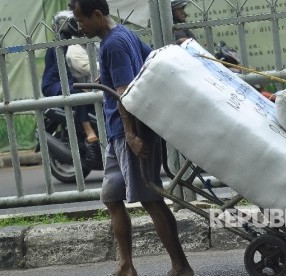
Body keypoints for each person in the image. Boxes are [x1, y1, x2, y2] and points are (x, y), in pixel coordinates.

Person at [70, 1, 194, 276]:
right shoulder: (121, 35)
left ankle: (181, 267)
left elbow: (124, 93)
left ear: (98, 15)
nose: (79, 27)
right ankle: (126, 265)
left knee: (151, 199)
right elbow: (150, 63)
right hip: (118, 133)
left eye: (81, 20)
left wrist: (131, 134)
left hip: (131, 133)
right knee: (112, 198)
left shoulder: (114, 44)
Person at [41, 10, 101, 163]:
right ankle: (88, 130)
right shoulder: (58, 45)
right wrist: (81, 87)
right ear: (63, 26)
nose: (77, 25)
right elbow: (65, 73)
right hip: (53, 85)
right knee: (77, 93)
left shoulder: (73, 41)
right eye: (72, 23)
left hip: (67, 82)